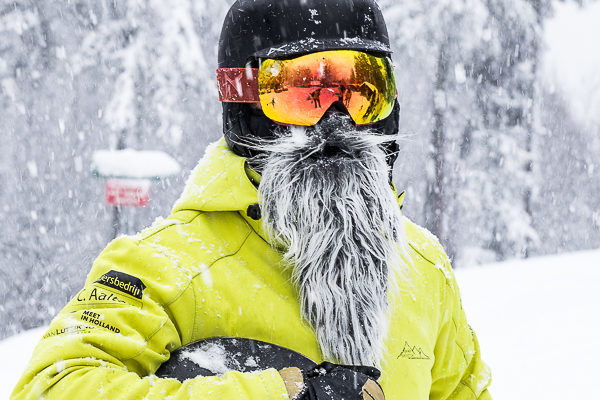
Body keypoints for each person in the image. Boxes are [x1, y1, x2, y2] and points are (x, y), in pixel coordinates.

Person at [12, 0, 492, 399]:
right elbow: (51, 386)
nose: (336, 122)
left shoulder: (424, 270)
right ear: (243, 104)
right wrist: (279, 392)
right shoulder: (169, 265)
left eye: (360, 90)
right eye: (303, 92)